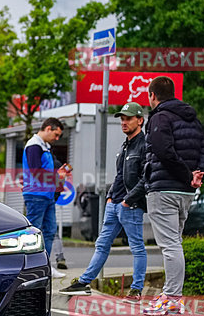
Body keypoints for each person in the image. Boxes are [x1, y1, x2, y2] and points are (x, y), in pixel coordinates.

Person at [60, 102, 148, 300]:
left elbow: (146, 179)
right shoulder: (125, 145)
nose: (124, 122)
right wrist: (109, 196)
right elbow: (119, 175)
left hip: (131, 206)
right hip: (114, 204)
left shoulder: (144, 146)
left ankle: (136, 289)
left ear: (140, 120)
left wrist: (127, 200)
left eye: (128, 118)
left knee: (137, 247)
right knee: (101, 244)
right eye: (122, 119)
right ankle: (84, 282)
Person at [142, 77, 204, 316]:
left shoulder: (159, 117)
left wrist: (185, 174)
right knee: (175, 243)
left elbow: (163, 151)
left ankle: (172, 297)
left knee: (169, 245)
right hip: (186, 192)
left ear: (153, 95)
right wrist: (198, 174)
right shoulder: (193, 119)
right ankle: (172, 294)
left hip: (165, 189)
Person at [22, 117, 67, 279]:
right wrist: (57, 175)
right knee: (35, 232)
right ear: (48, 128)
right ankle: (29, 268)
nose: (57, 139)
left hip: (46, 195)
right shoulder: (34, 145)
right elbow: (36, 172)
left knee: (49, 231)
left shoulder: (45, 146)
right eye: (56, 134)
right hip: (36, 195)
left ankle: (44, 266)